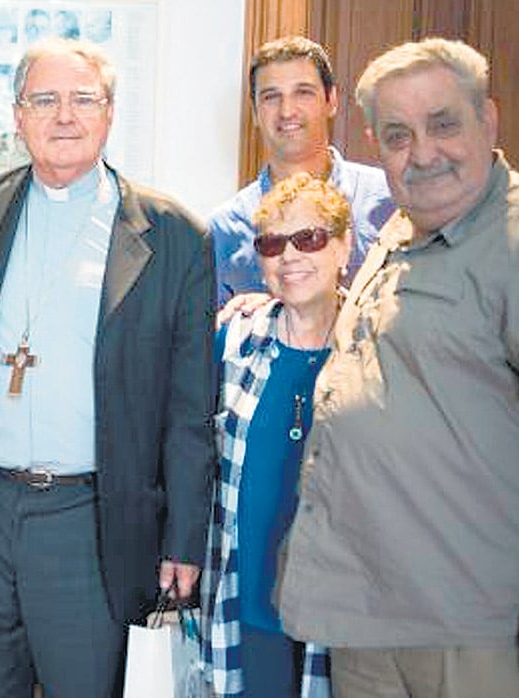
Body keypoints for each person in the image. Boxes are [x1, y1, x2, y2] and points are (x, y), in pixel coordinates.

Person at [0, 38, 215, 697]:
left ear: (109, 112)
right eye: (44, 100)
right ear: (16, 115)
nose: (63, 116)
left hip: (91, 519)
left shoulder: (172, 233)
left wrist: (182, 536)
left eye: (81, 99)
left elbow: (188, 408)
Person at [277, 38, 519, 697]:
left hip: (470, 631)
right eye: (396, 135)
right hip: (369, 615)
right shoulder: (397, 229)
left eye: (442, 124)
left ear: (488, 120)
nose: (421, 153)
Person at [203, 172, 347, 698]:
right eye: (271, 243)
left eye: (308, 238)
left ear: (344, 245)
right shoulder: (233, 337)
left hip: (343, 612)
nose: (290, 257)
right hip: (247, 598)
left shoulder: (374, 345)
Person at [210, 36, 394, 304]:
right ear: (254, 112)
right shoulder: (225, 228)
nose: (287, 111)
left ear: (331, 100)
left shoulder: (391, 202)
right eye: (271, 97)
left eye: (303, 92)